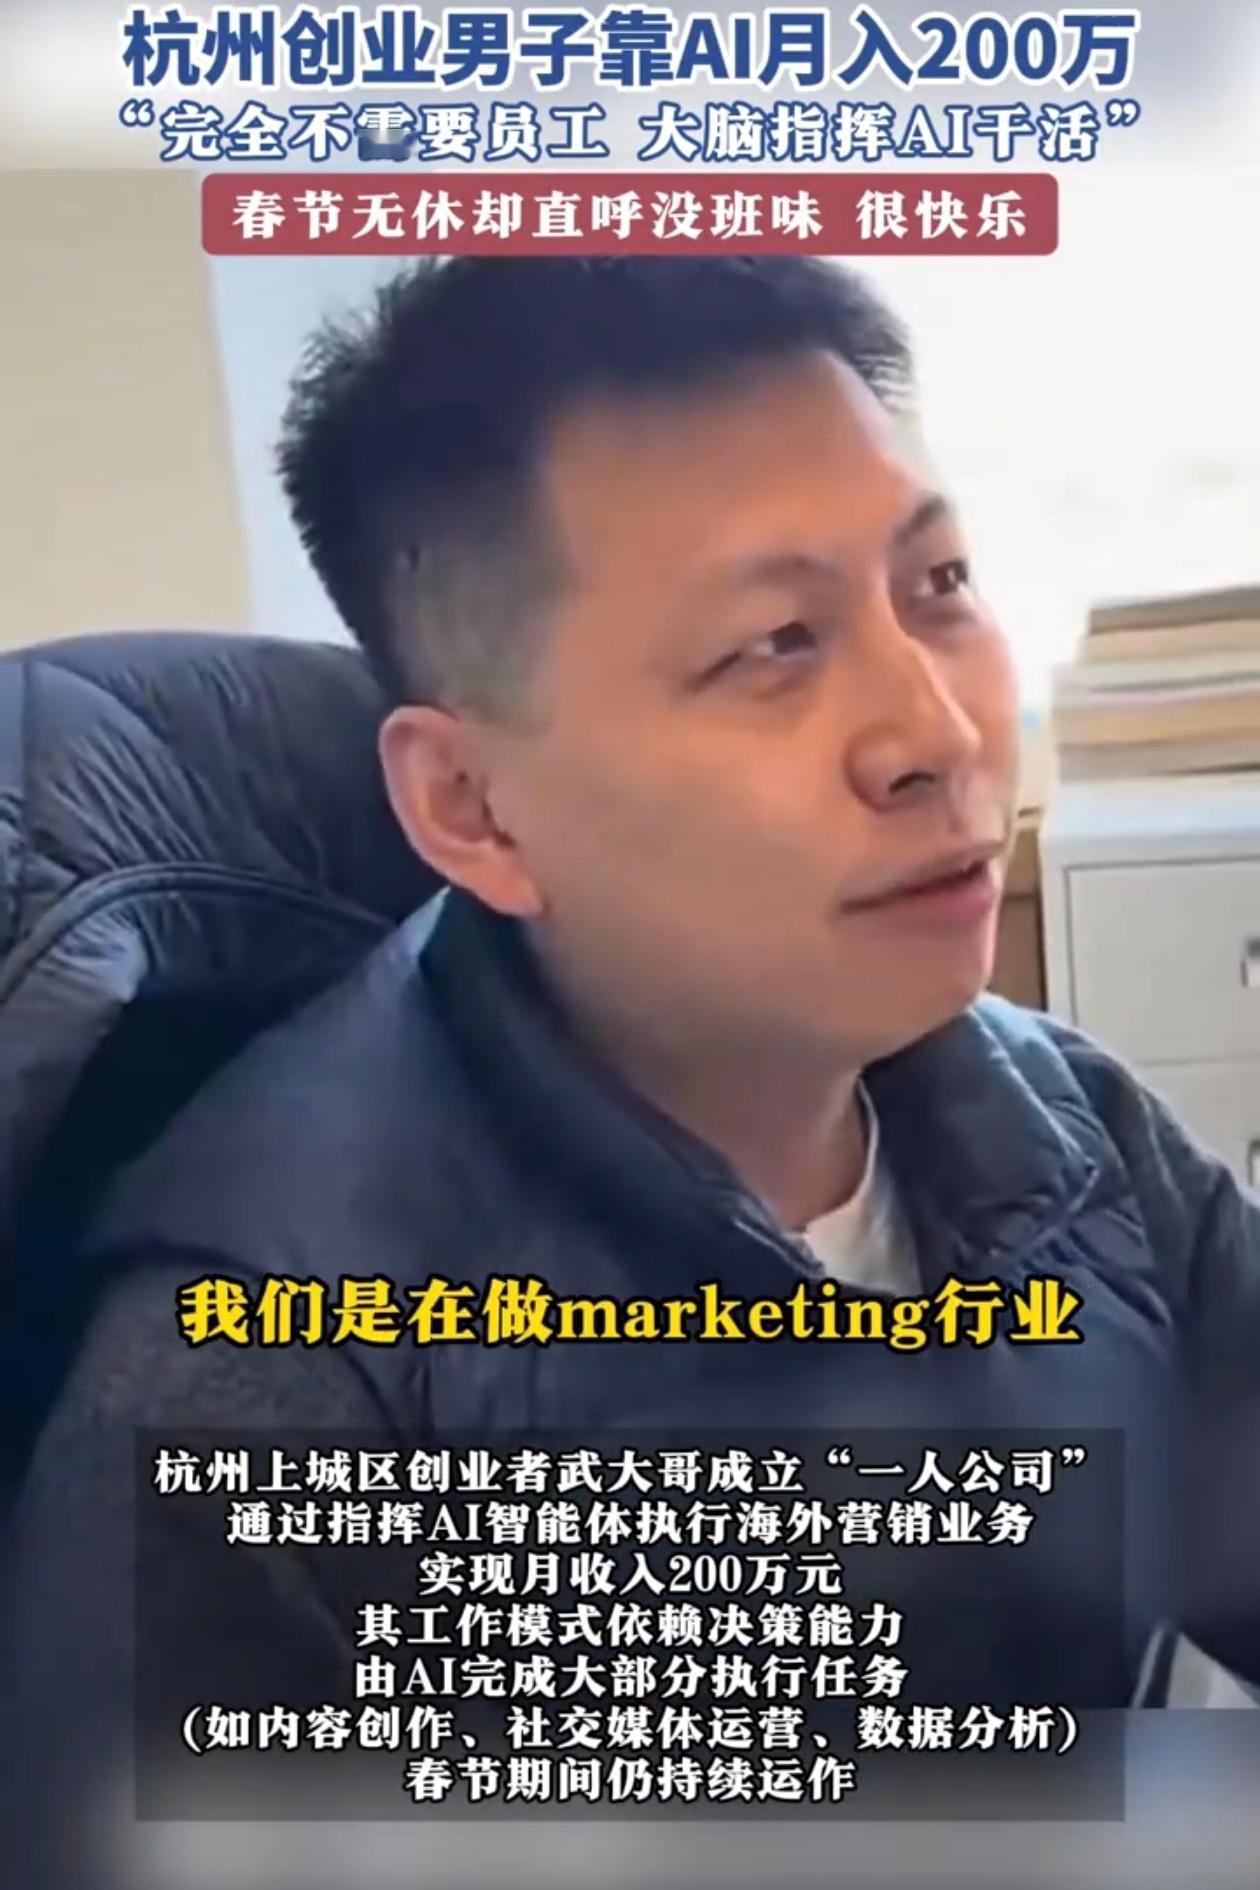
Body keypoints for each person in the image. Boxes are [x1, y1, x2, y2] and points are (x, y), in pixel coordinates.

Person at [10, 258, 1260, 1852]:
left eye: (938, 582)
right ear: (471, 806)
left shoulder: (1063, 1129)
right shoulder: (265, 1384)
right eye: (775, 644)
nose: (939, 733)